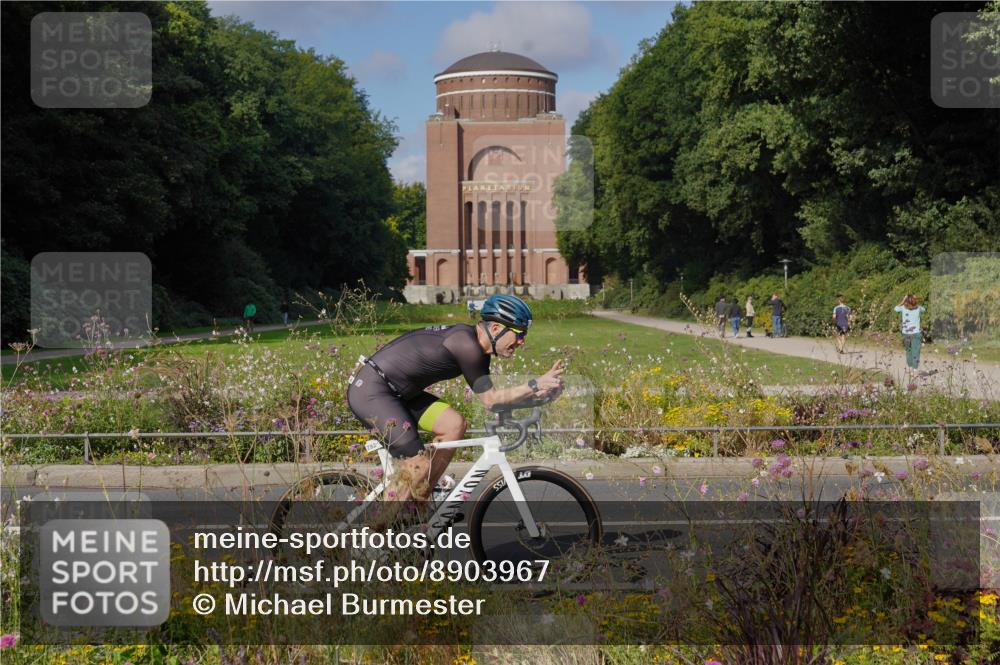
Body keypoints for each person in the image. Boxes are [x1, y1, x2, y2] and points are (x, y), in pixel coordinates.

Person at [346, 294, 564, 504]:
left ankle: (419, 501)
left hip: (399, 393)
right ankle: (376, 529)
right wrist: (535, 384)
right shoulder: (466, 346)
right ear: (496, 328)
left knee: (453, 424)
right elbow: (491, 400)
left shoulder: (478, 350)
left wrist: (537, 398)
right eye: (519, 333)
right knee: (418, 464)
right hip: (373, 392)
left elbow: (495, 403)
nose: (521, 342)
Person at [894, 294, 926, 376]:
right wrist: (915, 301)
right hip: (916, 333)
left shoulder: (903, 308)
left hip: (906, 334)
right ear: (915, 301)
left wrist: (903, 301)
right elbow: (924, 309)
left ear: (906, 301)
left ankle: (909, 368)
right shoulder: (919, 308)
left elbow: (895, 308)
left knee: (908, 351)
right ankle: (915, 371)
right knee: (916, 351)